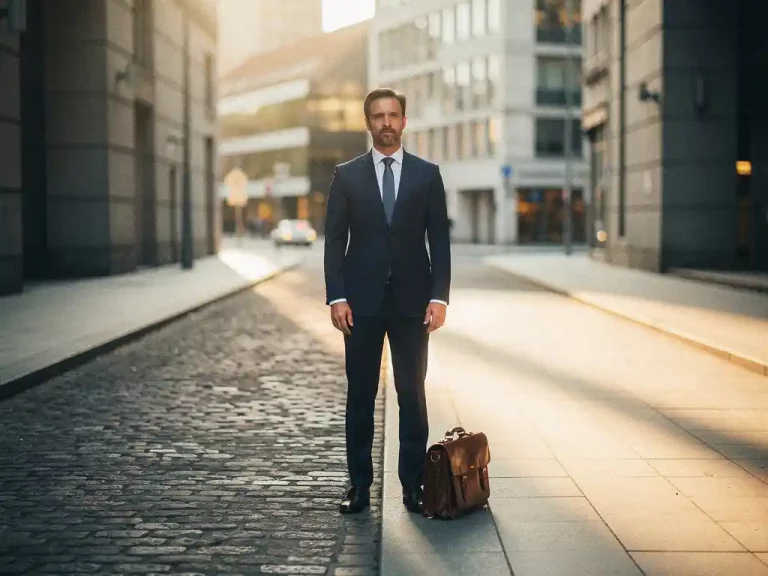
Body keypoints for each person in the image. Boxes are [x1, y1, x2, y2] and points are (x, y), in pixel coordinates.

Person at [323, 88, 451, 515]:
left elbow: (441, 242)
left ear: (404, 121)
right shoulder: (347, 175)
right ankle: (358, 486)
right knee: (359, 396)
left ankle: (413, 485)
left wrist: (439, 297)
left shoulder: (427, 175)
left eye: (393, 115)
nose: (386, 123)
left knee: (411, 395)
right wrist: (336, 296)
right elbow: (334, 242)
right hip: (360, 305)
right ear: (368, 123)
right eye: (378, 116)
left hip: (413, 304)